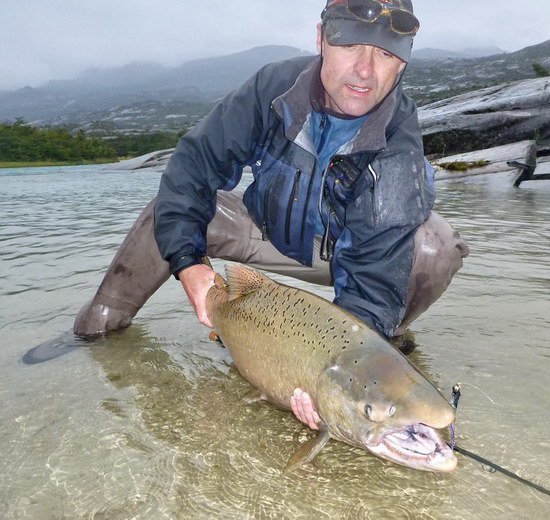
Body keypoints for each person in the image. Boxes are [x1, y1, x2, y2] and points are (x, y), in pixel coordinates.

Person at [75, 0, 469, 429]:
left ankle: (379, 352)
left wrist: (333, 378)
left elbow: (378, 263)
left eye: (387, 54)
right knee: (168, 213)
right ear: (321, 39)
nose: (365, 71)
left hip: (342, 253)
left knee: (435, 246)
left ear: (403, 62)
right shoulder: (273, 88)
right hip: (263, 230)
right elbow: (193, 168)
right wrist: (189, 266)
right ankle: (98, 328)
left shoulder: (399, 135)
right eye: (352, 46)